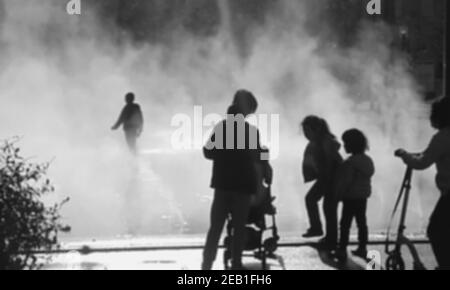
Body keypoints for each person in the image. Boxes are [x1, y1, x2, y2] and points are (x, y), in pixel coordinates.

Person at [202, 90, 272, 270]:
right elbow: (259, 154)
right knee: (239, 226)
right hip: (243, 185)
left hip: (222, 184)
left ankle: (207, 264)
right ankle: (237, 262)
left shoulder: (221, 128)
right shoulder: (251, 131)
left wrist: (223, 154)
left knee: (215, 227)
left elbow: (207, 152)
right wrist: (266, 161)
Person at [396, 97, 450, 270]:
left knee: (436, 231)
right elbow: (428, 155)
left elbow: (422, 162)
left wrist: (405, 155)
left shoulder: (443, 137)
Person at [300, 116, 342, 251]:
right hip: (326, 178)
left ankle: (327, 237)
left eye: (307, 131)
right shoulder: (320, 141)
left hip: (330, 179)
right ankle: (325, 235)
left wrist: (329, 177)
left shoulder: (325, 142)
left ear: (316, 129)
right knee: (325, 207)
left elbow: (333, 160)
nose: (306, 135)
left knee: (327, 208)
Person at [335, 129, 375, 261]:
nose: (344, 146)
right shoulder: (368, 160)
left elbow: (345, 181)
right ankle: (362, 247)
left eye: (345, 143)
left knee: (345, 224)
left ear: (351, 145)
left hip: (350, 197)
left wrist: (338, 195)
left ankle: (341, 249)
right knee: (361, 222)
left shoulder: (350, 163)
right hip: (362, 197)